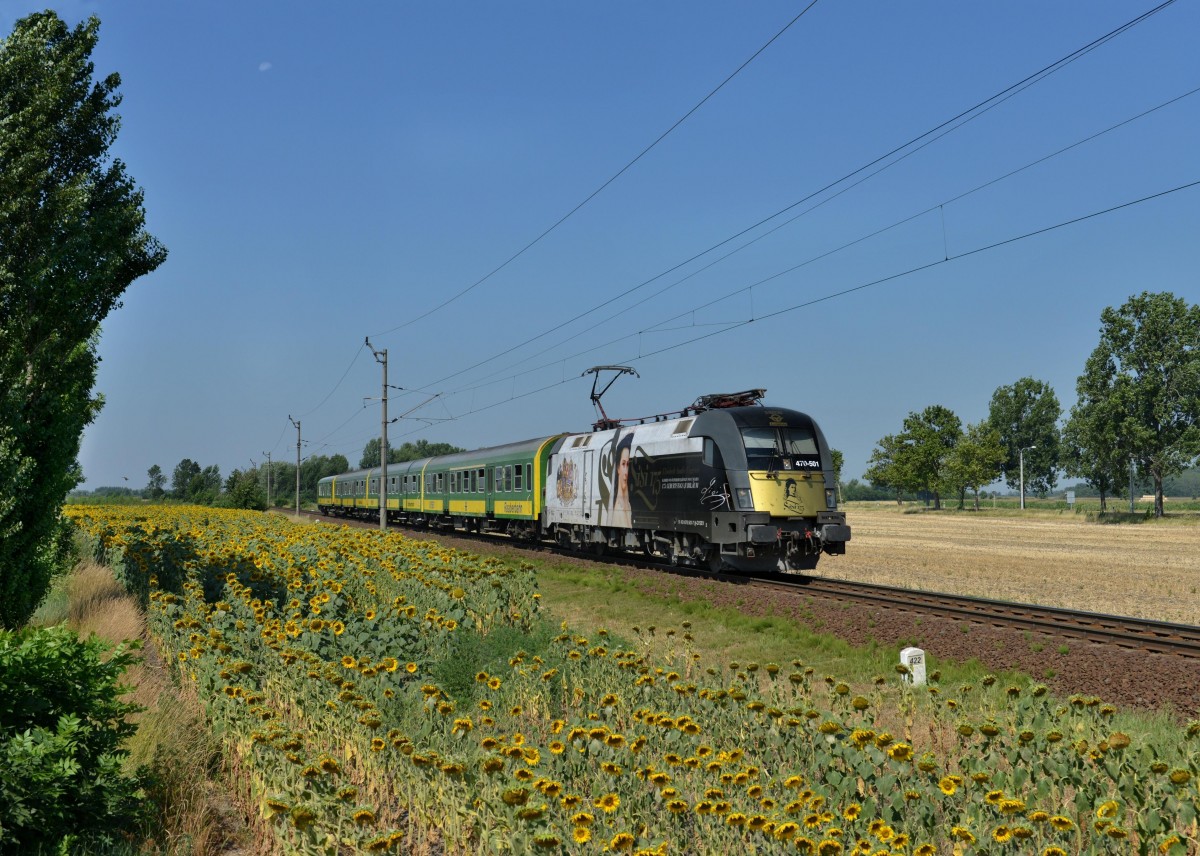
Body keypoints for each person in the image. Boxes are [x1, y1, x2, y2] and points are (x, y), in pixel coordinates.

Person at [609, 433, 633, 528]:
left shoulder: (628, 505)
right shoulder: (617, 510)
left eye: (628, 464)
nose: (626, 472)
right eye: (623, 464)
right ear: (618, 468)